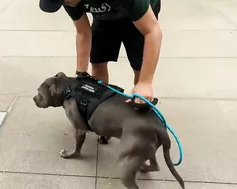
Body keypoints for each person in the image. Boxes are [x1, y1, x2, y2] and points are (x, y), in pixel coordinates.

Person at [39, 0, 162, 144]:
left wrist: (145, 82)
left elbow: (152, 31)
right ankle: (102, 117)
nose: (65, 4)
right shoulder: (69, 1)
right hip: (105, 17)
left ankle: (139, 126)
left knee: (140, 69)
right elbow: (83, 32)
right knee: (97, 62)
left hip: (138, 16)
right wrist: (81, 74)